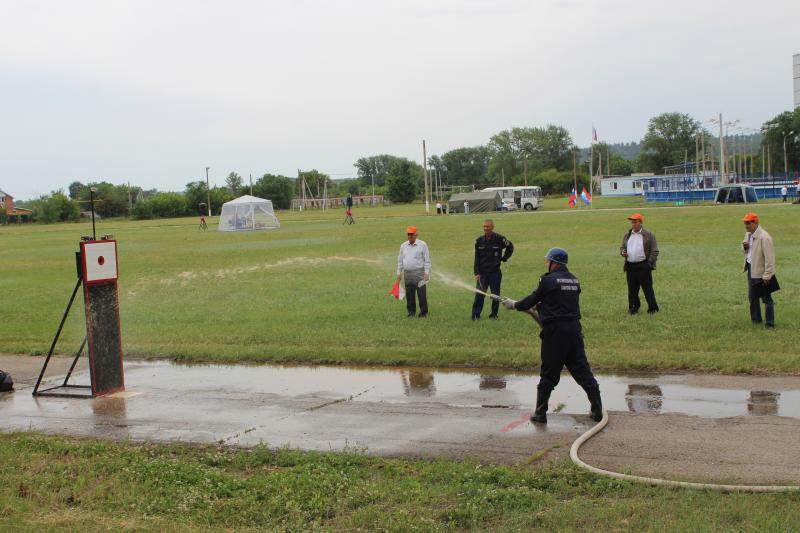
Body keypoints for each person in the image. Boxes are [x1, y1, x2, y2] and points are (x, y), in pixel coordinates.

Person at [502, 247, 603, 423]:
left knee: (548, 373)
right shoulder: (574, 280)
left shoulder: (547, 280)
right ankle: (597, 411)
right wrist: (540, 308)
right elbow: (560, 302)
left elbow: (532, 299)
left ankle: (540, 413)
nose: (546, 263)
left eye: (547, 261)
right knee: (582, 371)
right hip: (574, 331)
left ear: (554, 262)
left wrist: (514, 305)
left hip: (555, 333)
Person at [471, 219, 514, 320]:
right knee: (479, 294)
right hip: (482, 273)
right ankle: (476, 315)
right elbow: (476, 258)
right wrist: (476, 272)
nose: (485, 228)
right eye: (484, 226)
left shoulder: (500, 239)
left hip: (495, 273)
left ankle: (493, 315)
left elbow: (510, 246)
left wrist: (505, 258)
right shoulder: (479, 241)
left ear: (492, 227)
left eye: (487, 226)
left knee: (495, 295)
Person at [741, 212, 776, 328]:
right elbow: (747, 250)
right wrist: (744, 247)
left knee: (766, 299)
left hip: (761, 272)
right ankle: (756, 320)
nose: (746, 225)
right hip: (751, 268)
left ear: (756, 223)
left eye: (748, 223)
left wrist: (767, 275)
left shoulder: (764, 237)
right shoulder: (748, 234)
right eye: (745, 223)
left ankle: (770, 324)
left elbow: (770, 259)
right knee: (752, 297)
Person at [620, 213, 659, 315]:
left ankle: (652, 308)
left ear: (641, 222)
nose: (633, 224)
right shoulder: (627, 234)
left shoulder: (649, 234)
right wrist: (623, 252)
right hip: (630, 266)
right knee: (632, 289)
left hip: (644, 266)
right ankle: (633, 308)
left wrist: (649, 264)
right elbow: (622, 247)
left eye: (635, 222)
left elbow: (654, 251)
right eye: (632, 222)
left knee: (647, 288)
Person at [396, 226, 431, 318]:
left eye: (411, 234)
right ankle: (411, 313)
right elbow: (400, 260)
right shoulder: (403, 246)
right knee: (410, 295)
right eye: (408, 234)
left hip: (420, 273)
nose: (410, 236)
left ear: (416, 235)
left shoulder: (422, 245)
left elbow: (427, 259)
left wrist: (426, 272)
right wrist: (399, 272)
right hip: (408, 274)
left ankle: (424, 313)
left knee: (421, 294)